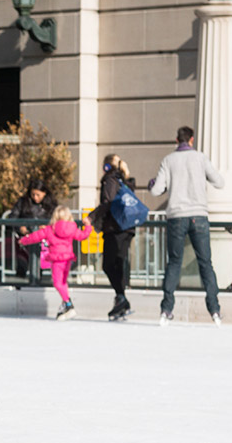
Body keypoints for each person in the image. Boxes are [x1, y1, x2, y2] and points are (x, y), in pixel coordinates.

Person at [151, 126, 224, 325]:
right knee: (205, 263)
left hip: (176, 216)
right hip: (198, 215)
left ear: (177, 140)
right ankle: (214, 309)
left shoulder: (168, 160)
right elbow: (219, 182)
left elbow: (156, 190)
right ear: (191, 140)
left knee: (174, 262)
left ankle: (166, 309)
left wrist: (153, 183)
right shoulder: (200, 158)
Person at [18, 205, 92, 320]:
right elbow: (83, 236)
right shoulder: (72, 228)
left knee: (58, 283)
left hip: (57, 260)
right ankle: (65, 305)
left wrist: (23, 240)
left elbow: (35, 236)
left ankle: (68, 304)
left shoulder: (50, 229)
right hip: (68, 259)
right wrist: (88, 226)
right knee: (63, 283)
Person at [90, 153, 134, 320]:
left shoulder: (110, 180)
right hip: (127, 228)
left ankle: (121, 297)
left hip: (114, 228)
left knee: (108, 265)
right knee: (119, 264)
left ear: (106, 167)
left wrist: (92, 217)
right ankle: (120, 301)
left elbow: (107, 202)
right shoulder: (125, 181)